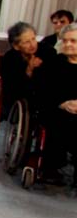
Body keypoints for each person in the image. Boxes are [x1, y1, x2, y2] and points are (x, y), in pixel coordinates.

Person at [40, 23, 77, 189]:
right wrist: (62, 103)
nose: (68, 44)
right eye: (66, 40)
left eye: (74, 41)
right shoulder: (54, 63)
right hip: (56, 109)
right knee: (61, 120)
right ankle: (52, 168)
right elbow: (44, 90)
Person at [0, 21, 53, 114]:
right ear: (16, 46)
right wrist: (29, 70)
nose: (33, 44)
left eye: (33, 39)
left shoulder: (47, 51)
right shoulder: (9, 58)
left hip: (44, 99)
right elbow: (11, 89)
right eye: (27, 42)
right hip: (18, 102)